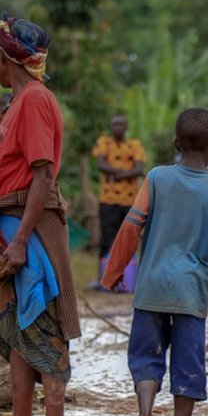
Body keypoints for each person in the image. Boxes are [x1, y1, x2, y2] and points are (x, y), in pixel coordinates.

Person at [101, 108, 208, 416]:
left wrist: (113, 273)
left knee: (146, 355)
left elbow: (131, 227)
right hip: (189, 293)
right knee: (188, 361)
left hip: (151, 287)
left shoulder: (156, 177)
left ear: (176, 143)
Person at [0, 12, 80, 416]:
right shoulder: (16, 103)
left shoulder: (33, 100)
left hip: (30, 228)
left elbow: (42, 175)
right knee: (16, 325)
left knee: (43, 322)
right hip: (13, 225)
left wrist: (19, 240)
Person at [91, 114, 146, 289]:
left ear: (126, 127)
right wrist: (127, 173)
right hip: (108, 199)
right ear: (111, 126)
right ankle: (103, 281)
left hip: (130, 201)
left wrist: (116, 174)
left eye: (121, 124)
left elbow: (139, 168)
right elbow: (101, 165)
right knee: (107, 238)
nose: (118, 128)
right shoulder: (104, 143)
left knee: (129, 239)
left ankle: (129, 281)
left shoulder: (134, 145)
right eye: (115, 124)